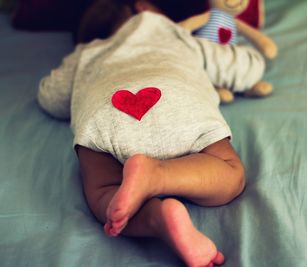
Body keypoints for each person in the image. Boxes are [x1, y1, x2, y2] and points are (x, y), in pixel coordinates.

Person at [38, 1, 266, 266]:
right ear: (148, 9)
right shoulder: (181, 38)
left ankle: (157, 220)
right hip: (175, 102)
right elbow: (247, 70)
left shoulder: (87, 52)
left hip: (104, 113)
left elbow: (51, 98)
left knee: (105, 196)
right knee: (230, 174)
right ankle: (157, 175)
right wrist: (249, 56)